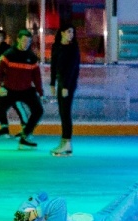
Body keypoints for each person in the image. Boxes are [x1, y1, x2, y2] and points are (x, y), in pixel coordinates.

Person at [0, 29, 44, 149]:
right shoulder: (9, 54)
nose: (26, 43)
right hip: (9, 90)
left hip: (26, 90)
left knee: (38, 111)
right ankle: (6, 129)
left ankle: (25, 137)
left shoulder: (32, 57)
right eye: (23, 41)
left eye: (28, 41)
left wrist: (40, 92)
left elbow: (36, 77)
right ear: (18, 40)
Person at [50, 23, 80, 156]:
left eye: (72, 32)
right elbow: (53, 65)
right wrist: (52, 83)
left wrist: (66, 87)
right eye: (68, 32)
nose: (71, 35)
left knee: (66, 112)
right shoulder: (56, 46)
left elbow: (72, 69)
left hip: (68, 84)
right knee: (62, 112)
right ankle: (64, 141)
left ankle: (67, 142)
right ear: (62, 33)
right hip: (61, 83)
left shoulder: (73, 48)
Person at [0, 29, 28, 138]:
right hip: (5, 83)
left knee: (17, 103)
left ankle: (26, 129)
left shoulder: (6, 49)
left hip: (14, 83)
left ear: (2, 38)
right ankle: (4, 127)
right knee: (0, 105)